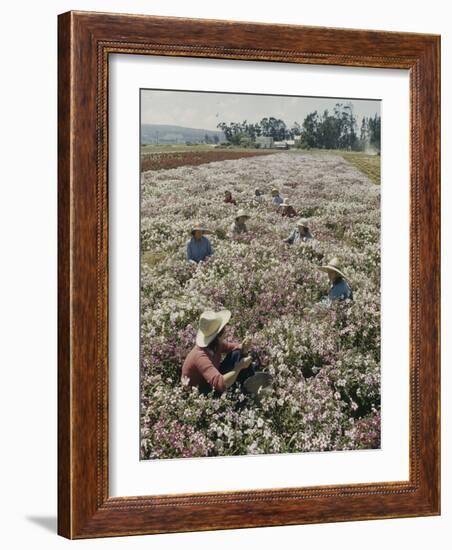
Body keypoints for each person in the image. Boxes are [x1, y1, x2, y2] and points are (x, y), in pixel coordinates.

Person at [181, 310, 272, 395]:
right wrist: (239, 367)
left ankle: (250, 381)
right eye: (224, 330)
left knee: (237, 353)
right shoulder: (200, 357)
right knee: (238, 363)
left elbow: (229, 347)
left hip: (210, 379)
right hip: (200, 391)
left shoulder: (214, 344)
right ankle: (248, 389)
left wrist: (243, 346)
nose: (226, 331)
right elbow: (220, 384)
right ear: (218, 337)